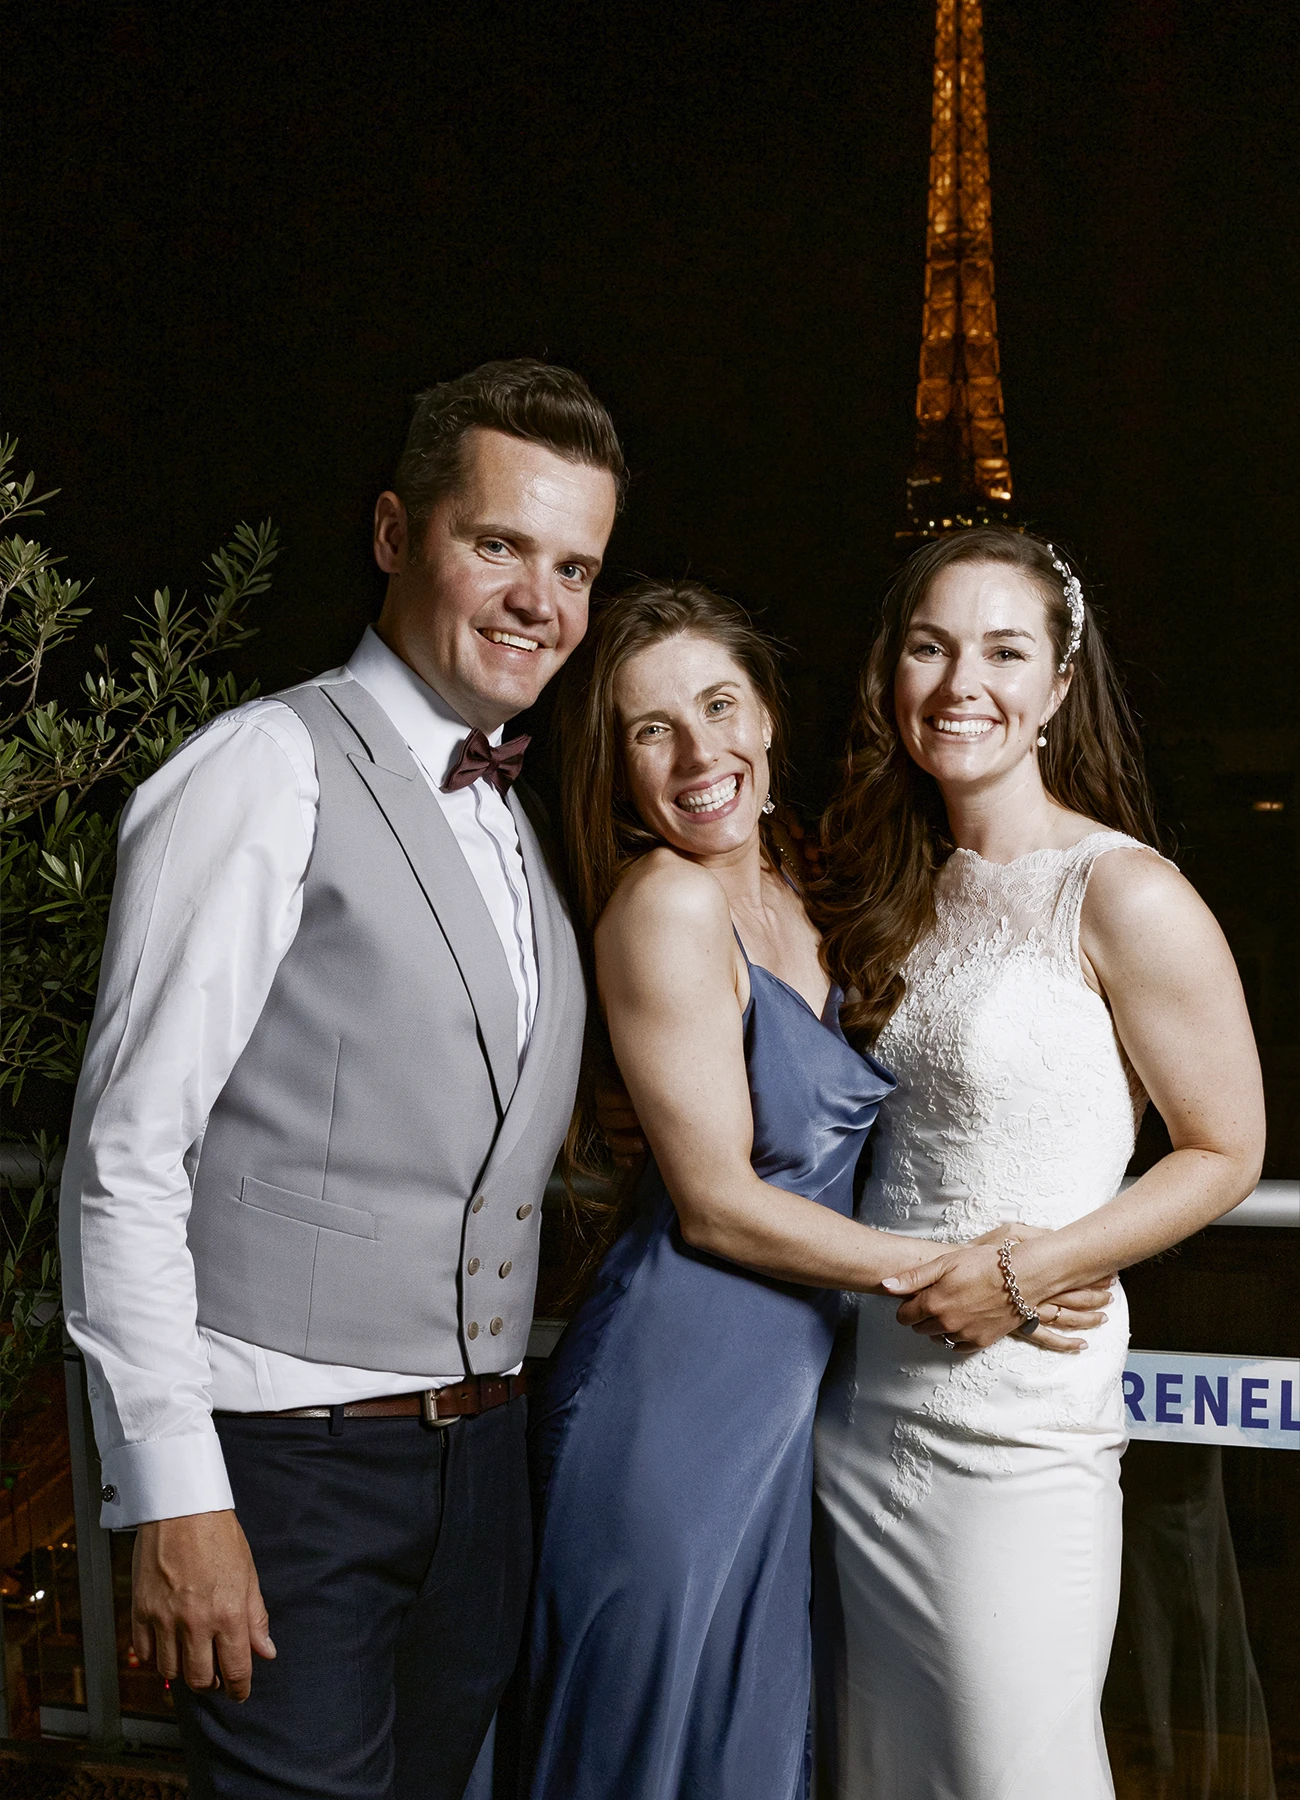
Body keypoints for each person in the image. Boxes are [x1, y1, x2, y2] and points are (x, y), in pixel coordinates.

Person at [59, 359, 622, 1799]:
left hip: (480, 1469)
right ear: (393, 534)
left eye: (572, 567)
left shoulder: (515, 816)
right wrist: (175, 1495)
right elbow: (127, 1156)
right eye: (496, 544)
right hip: (289, 1472)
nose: (538, 601)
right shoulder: (261, 768)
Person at [516, 580, 1109, 1800]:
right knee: (657, 1753)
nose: (699, 755)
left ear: (767, 716)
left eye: (718, 706)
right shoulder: (666, 902)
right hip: (676, 1395)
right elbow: (717, 1204)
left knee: (761, 1748)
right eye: (651, 730)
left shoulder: (807, 873)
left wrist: (1058, 1217)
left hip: (802, 1399)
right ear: (617, 767)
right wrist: (974, 1272)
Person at [810, 527, 1266, 1800]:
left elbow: (1228, 1148)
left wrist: (1039, 1269)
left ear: (1060, 684)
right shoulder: (890, 880)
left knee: (1012, 1773)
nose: (962, 683)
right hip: (860, 1411)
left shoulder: (1121, 890)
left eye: (1004, 651)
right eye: (930, 647)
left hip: (1016, 1428)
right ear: (890, 671)